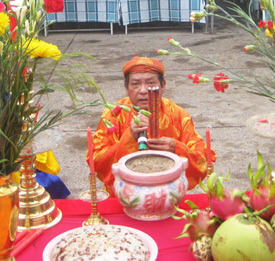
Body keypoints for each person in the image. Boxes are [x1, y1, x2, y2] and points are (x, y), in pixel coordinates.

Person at [90, 57, 215, 195]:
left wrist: (177, 149)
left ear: (163, 86)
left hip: (167, 194)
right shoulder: (114, 114)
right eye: (135, 84)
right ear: (126, 88)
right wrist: (129, 137)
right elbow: (96, 160)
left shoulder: (178, 115)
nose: (143, 90)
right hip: (122, 195)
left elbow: (203, 159)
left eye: (150, 83)